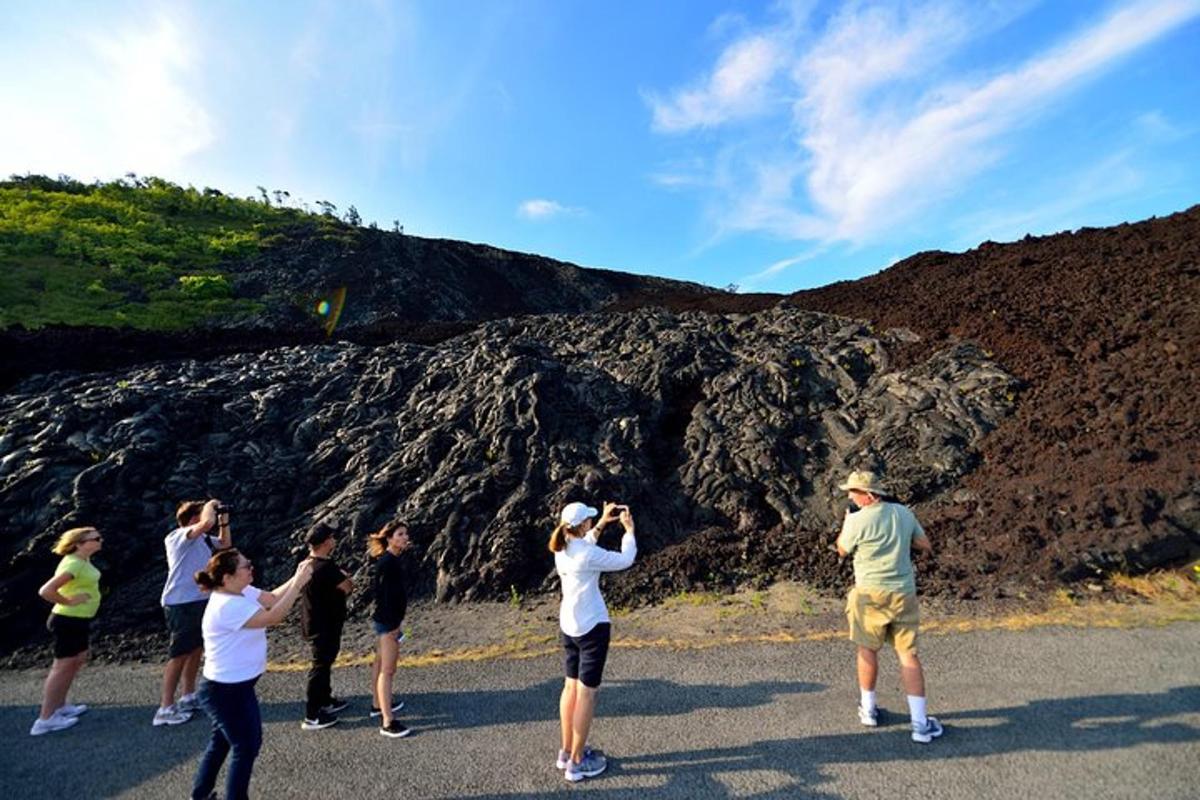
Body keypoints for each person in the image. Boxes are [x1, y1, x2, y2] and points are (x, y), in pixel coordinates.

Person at [190, 549, 313, 800]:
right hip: (225, 691)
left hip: (231, 688)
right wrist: (299, 584)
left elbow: (271, 598)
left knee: (222, 742)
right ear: (227, 577)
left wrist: (297, 575)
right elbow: (273, 616)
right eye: (246, 567)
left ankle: (200, 795)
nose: (251, 569)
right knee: (246, 746)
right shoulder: (226, 605)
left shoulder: (241, 591)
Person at [835, 469, 942, 744]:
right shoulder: (903, 513)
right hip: (902, 593)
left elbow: (842, 550)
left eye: (854, 492)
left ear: (868, 495)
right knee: (908, 655)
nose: (850, 496)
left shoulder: (857, 520)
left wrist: (848, 523)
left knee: (867, 649)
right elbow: (924, 544)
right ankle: (920, 724)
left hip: (869, 595)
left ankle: (868, 710)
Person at [549, 500, 637, 782]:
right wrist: (628, 531)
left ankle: (565, 753)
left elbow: (584, 543)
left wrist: (600, 524)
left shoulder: (561, 547)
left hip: (569, 626)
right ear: (582, 525)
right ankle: (577, 762)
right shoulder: (587, 553)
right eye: (589, 519)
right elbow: (625, 560)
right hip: (592, 629)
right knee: (587, 694)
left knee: (570, 688)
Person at [156, 498, 232, 727]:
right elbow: (207, 523)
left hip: (200, 600)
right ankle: (165, 708)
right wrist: (211, 504)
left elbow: (225, 544)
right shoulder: (177, 536)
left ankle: (188, 695)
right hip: (181, 603)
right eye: (203, 514)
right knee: (178, 654)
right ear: (192, 519)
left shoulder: (203, 538)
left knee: (196, 648)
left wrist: (224, 521)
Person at [31, 527, 104, 735]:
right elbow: (46, 591)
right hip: (67, 620)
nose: (101, 540)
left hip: (78, 620)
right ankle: (45, 719)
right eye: (95, 538)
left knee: (77, 660)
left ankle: (60, 706)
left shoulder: (82, 561)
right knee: (62, 667)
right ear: (79, 543)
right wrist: (69, 601)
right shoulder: (73, 563)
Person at [299, 523, 353, 730]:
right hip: (325, 625)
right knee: (320, 666)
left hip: (315, 622)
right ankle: (312, 715)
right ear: (325, 542)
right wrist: (346, 577)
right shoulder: (326, 568)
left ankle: (325, 700)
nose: (334, 540)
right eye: (331, 537)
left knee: (324, 663)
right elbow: (347, 587)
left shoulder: (308, 564)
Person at [367, 520, 411, 738]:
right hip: (387, 623)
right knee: (388, 670)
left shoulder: (392, 560)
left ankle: (377, 704)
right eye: (400, 534)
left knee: (380, 662)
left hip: (387, 621)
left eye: (405, 534)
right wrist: (393, 628)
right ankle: (387, 721)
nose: (405, 537)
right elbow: (384, 598)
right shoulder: (387, 563)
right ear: (390, 538)